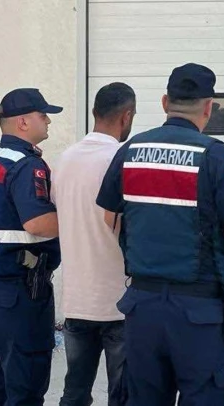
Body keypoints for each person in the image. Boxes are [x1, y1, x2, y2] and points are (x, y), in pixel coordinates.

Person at [95, 63, 224, 406]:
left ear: (165, 102)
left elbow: (109, 218)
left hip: (142, 307)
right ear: (209, 107)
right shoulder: (213, 155)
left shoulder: (131, 150)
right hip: (198, 312)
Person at [0, 88, 63, 406]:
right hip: (17, 293)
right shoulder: (27, 166)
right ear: (23, 122)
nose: (48, 121)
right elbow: (37, 223)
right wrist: (79, 219)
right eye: (42, 115)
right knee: (25, 387)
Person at [52, 82, 136, 406]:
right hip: (119, 302)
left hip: (77, 300)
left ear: (94, 112)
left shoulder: (65, 159)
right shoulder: (123, 160)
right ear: (126, 116)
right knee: (123, 395)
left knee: (74, 392)